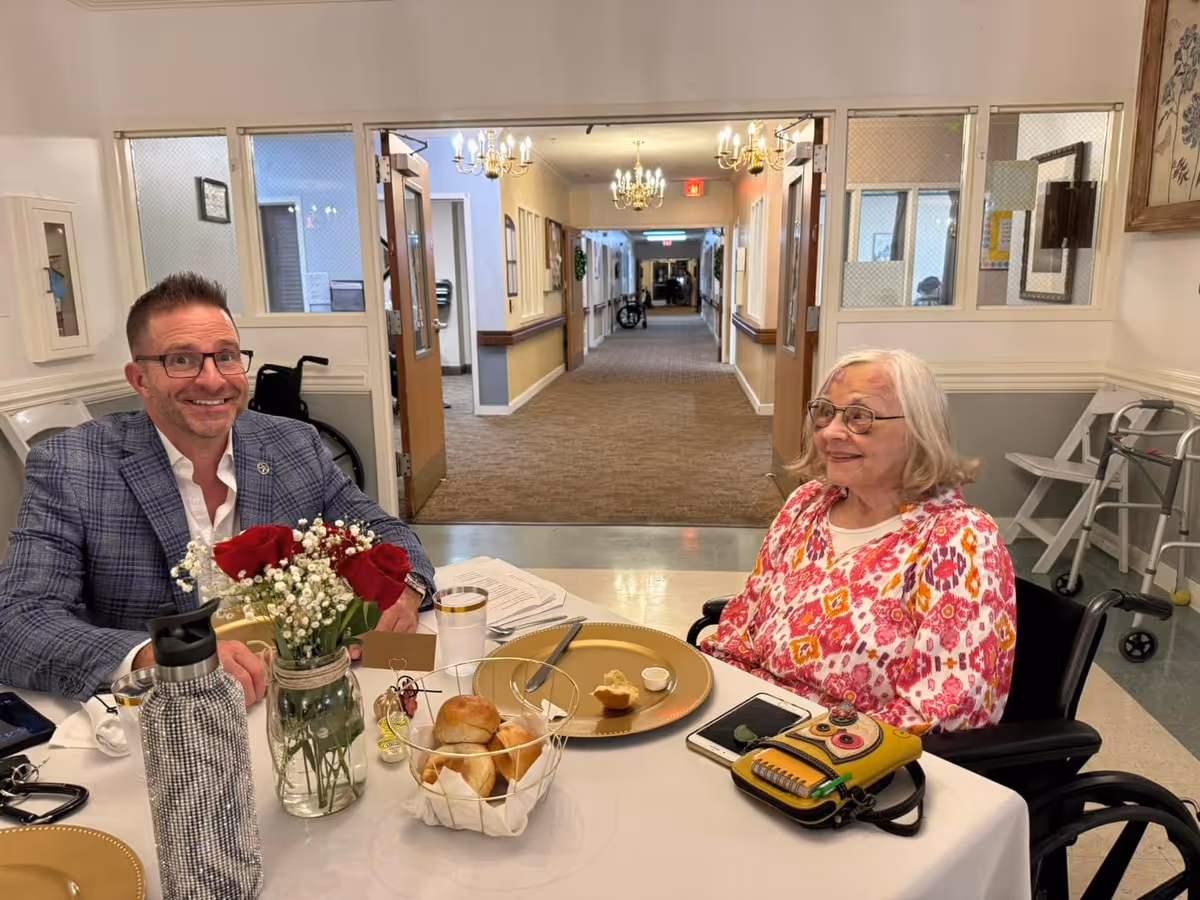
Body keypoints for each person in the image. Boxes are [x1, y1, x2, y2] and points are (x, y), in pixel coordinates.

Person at [0, 273, 437, 707]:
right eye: (182, 360)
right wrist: (165, 658)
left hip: (296, 699)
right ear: (139, 379)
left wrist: (406, 588)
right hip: (162, 722)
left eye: (226, 356)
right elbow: (18, 622)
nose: (213, 380)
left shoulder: (294, 444)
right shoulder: (74, 466)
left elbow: (383, 530)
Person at [703, 349, 1016, 734]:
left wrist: (807, 743)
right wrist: (724, 703)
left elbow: (947, 710)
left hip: (851, 759)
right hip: (755, 720)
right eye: (825, 413)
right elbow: (742, 627)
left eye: (858, 417)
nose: (831, 433)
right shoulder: (807, 503)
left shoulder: (958, 540)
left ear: (918, 429)